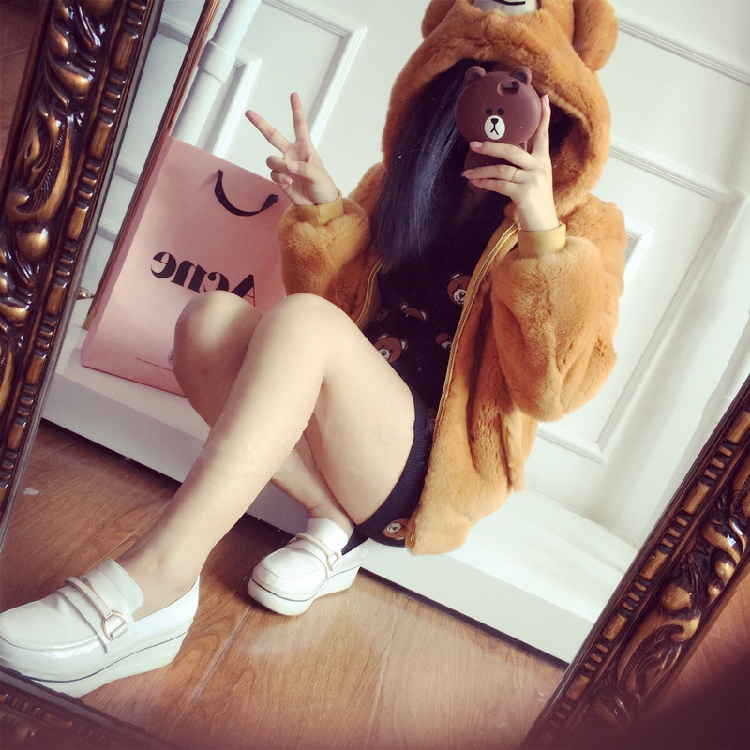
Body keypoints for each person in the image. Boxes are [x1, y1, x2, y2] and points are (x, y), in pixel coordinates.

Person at [0, 0, 625, 698]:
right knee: (209, 321)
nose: (494, 104)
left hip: (430, 471)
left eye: (519, 83)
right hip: (343, 437)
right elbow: (329, 309)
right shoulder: (405, 179)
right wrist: (327, 206)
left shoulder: (587, 226)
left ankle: (160, 579)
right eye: (474, 74)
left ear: (560, 100)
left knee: (301, 324)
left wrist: (541, 227)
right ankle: (333, 523)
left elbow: (553, 390)